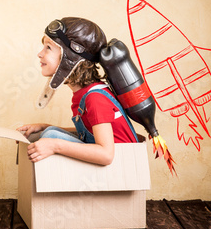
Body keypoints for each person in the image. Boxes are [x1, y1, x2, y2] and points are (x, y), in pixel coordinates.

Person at [17, 17, 137, 166]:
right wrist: (44, 127)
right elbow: (90, 133)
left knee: (51, 137)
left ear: (71, 56)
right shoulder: (84, 95)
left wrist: (54, 145)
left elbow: (106, 155)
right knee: (50, 132)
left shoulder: (95, 98)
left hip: (122, 168)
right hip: (113, 165)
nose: (40, 54)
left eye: (48, 47)